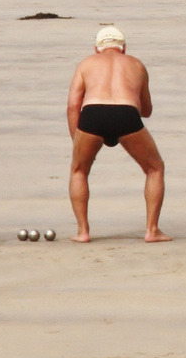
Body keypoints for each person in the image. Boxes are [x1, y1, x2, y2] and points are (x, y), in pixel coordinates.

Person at [66, 26, 170, 243]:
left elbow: (73, 105)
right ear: (124, 48)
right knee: (154, 168)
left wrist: (77, 139)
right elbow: (147, 110)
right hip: (126, 114)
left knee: (79, 170)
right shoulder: (136, 64)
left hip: (92, 115)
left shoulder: (86, 63)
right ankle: (152, 230)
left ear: (97, 48)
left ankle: (83, 232)